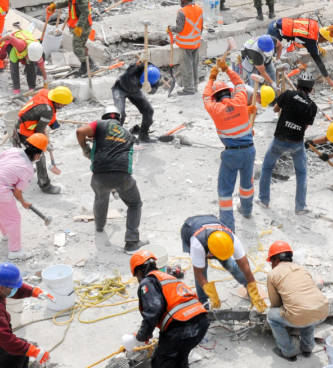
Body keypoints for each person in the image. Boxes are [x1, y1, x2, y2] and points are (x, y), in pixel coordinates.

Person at [75, 112, 146, 251]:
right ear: (119, 120)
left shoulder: (100, 124)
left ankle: (100, 227)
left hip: (99, 176)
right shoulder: (128, 134)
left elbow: (80, 131)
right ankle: (131, 241)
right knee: (135, 204)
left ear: (105, 117)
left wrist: (85, 149)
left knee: (101, 197)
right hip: (122, 175)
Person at [129, 249, 210, 367]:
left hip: (181, 327)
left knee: (160, 362)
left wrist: (142, 335)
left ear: (140, 272)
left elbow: (153, 309)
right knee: (180, 357)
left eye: (136, 275)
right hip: (201, 323)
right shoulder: (168, 278)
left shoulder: (148, 281)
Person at [204, 60, 257, 231]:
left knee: (225, 191)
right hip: (249, 150)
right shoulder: (241, 100)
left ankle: (228, 226)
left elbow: (205, 96)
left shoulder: (214, 108)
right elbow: (240, 83)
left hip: (231, 154)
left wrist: (211, 78)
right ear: (229, 92)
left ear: (216, 97)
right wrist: (227, 69)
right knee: (247, 184)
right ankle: (247, 209)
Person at [0, 134, 49, 259]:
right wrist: (23, 202)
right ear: (38, 155)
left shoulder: (13, 150)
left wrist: (7, 176)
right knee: (14, 219)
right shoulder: (27, 169)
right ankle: (15, 251)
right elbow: (17, 192)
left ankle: (7, 234)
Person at [259, 71, 317, 213]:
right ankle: (300, 207)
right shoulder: (312, 106)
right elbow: (306, 126)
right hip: (296, 143)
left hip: (279, 139)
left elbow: (275, 109)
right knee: (301, 173)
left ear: (297, 85)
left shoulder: (288, 94)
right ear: (311, 89)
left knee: (267, 168)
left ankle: (264, 200)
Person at [179, 214, 264, 310]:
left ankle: (249, 290)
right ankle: (203, 303)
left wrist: (253, 290)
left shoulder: (233, 240)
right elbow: (199, 274)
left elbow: (246, 268)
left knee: (230, 264)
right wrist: (211, 293)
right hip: (189, 228)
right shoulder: (197, 245)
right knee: (202, 269)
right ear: (210, 253)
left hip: (211, 224)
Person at [263, 241, 329, 361]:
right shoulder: (301, 269)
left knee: (272, 317)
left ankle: (288, 352)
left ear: (276, 260)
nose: (271, 265)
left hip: (301, 316)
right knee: (306, 309)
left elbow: (275, 303)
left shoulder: (273, 274)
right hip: (322, 311)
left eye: (271, 262)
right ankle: (307, 347)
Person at [15, 86, 75, 194]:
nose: (65, 106)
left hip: (23, 120)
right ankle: (44, 185)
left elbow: (44, 112)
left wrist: (53, 123)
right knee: (39, 155)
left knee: (30, 153)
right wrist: (46, 144)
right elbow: (39, 132)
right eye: (64, 104)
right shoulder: (47, 111)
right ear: (58, 102)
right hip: (25, 130)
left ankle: (25, 168)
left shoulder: (46, 93)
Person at [48, 0, 94, 75]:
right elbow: (66, 2)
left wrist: (79, 27)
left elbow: (85, 12)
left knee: (77, 48)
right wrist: (55, 6)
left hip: (82, 26)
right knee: (80, 47)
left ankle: (87, 67)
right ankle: (88, 66)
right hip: (78, 26)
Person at [167, 0, 203, 95]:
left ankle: (188, 89)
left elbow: (179, 29)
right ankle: (195, 86)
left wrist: (170, 29)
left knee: (187, 67)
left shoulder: (182, 12)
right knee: (194, 65)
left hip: (186, 44)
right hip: (196, 43)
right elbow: (201, 27)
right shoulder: (199, 9)